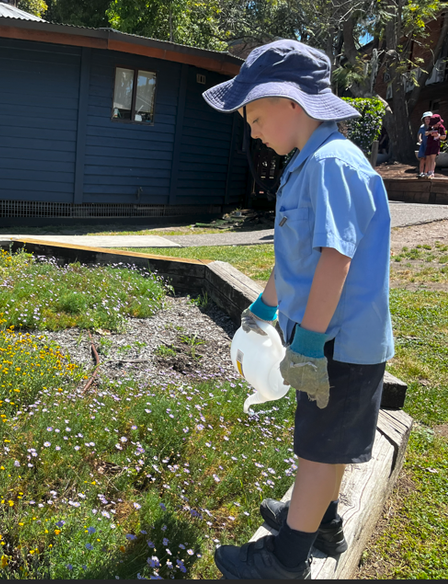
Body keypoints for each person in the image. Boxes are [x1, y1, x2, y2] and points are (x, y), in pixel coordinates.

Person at [202, 39, 394, 579]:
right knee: (323, 441)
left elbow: (336, 257)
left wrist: (308, 342)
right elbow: (298, 258)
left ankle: (286, 559)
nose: (254, 131)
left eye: (257, 117)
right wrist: (265, 305)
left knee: (316, 450)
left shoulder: (332, 164)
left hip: (338, 343)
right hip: (325, 339)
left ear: (292, 103)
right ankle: (321, 519)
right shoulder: (308, 163)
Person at [423, 113, 446, 179]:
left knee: (433, 158)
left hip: (435, 144)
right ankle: (427, 172)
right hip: (429, 144)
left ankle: (431, 172)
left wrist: (438, 136)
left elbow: (444, 137)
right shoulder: (430, 127)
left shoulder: (441, 127)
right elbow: (426, 133)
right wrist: (430, 132)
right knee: (428, 158)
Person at [417, 111, 432, 178]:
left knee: (428, 159)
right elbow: (419, 134)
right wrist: (420, 139)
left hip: (430, 145)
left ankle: (426, 172)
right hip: (423, 145)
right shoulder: (422, 127)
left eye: (428, 119)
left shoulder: (432, 127)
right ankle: (421, 172)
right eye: (426, 119)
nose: (427, 120)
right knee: (422, 159)